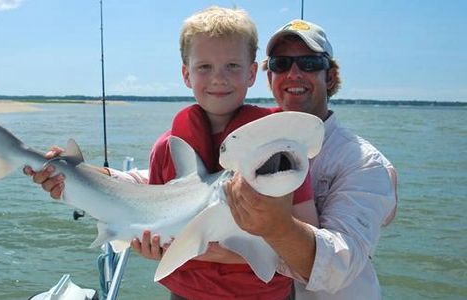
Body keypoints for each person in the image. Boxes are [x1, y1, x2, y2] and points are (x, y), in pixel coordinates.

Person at [25, 7, 319, 300]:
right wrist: (73, 177)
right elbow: (149, 208)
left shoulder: (278, 151)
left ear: (253, 72)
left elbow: (307, 241)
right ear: (186, 74)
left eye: (232, 65)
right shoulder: (167, 147)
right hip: (186, 294)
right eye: (204, 67)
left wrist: (220, 254)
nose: (218, 78)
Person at [224, 19, 398, 299]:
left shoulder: (364, 162)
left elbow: (339, 266)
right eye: (280, 64)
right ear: (270, 78)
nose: (293, 74)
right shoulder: (248, 144)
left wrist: (278, 228)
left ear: (329, 77)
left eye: (309, 63)